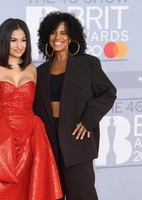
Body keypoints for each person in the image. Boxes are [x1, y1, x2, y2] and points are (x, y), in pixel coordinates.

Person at [0, 18, 63, 200]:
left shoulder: (33, 70)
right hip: (2, 141)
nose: (19, 45)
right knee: (0, 192)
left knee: (31, 190)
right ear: (4, 40)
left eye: (24, 40)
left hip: (31, 138)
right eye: (13, 40)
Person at [33, 11, 117, 200]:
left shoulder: (88, 64)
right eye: (53, 32)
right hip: (48, 142)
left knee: (82, 195)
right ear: (47, 36)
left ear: (72, 36)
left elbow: (108, 92)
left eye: (63, 33)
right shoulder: (40, 71)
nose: (58, 37)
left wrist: (88, 120)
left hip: (76, 140)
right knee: (50, 196)